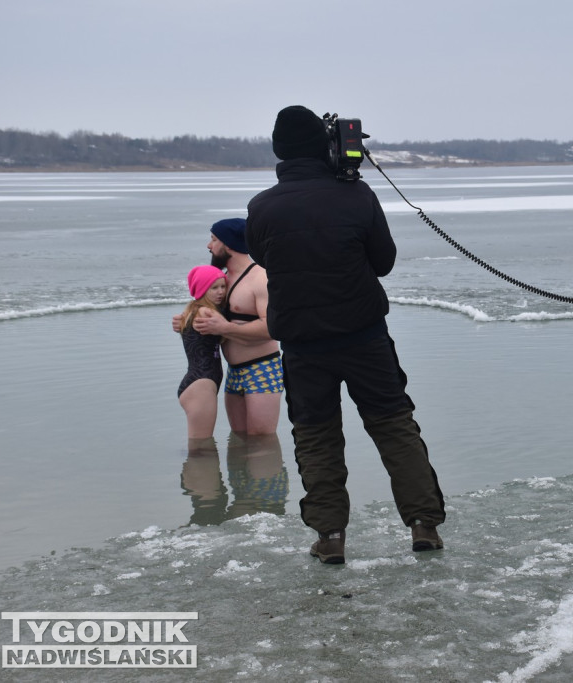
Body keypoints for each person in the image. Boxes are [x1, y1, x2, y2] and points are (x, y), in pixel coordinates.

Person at [245, 105, 446, 565]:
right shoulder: (357, 197)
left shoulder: (262, 207)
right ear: (327, 146)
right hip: (364, 336)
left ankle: (330, 535)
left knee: (316, 436)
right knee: (394, 427)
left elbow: (265, 259)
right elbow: (384, 262)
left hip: (301, 344)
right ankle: (424, 525)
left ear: (280, 152)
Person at [173, 218, 284, 435]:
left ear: (228, 244)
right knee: (239, 441)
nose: (209, 246)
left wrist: (225, 328)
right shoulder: (221, 281)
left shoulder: (260, 278)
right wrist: (185, 321)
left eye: (214, 240)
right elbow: (206, 312)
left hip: (262, 367)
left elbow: (273, 329)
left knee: (261, 441)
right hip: (233, 371)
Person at [177, 265, 227, 439]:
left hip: (196, 381)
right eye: (214, 288)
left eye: (223, 286)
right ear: (202, 289)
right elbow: (228, 332)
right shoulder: (207, 311)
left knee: (200, 445)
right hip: (201, 384)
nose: (220, 292)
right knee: (201, 446)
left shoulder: (190, 310)